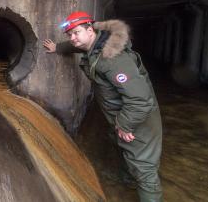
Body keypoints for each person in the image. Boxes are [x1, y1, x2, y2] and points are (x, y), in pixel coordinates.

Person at [43, 11, 163, 202]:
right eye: (69, 34)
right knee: (126, 152)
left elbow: (141, 99)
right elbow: (76, 46)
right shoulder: (94, 45)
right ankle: (127, 181)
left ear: (90, 30)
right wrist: (57, 47)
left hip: (139, 122)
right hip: (124, 117)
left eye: (76, 33)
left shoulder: (112, 59)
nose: (72, 38)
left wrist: (124, 125)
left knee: (145, 171)